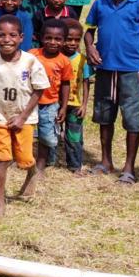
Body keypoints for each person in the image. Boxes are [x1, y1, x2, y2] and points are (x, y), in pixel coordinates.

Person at [84, 0, 139, 184]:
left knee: (133, 120)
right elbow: (89, 31)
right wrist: (90, 47)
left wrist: (130, 48)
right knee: (105, 116)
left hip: (129, 70)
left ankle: (129, 168)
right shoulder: (101, 3)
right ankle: (106, 161)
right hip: (105, 69)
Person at [0, 15, 50, 218]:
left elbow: (39, 90)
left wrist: (23, 117)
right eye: (1, 35)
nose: (7, 39)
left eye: (12, 35)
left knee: (24, 158)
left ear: (21, 37)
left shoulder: (31, 62)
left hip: (23, 118)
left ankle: (31, 172)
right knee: (3, 159)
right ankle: (0, 202)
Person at [29, 19, 73, 179]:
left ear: (64, 40)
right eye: (48, 38)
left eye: (58, 39)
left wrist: (63, 107)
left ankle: (41, 165)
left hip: (50, 104)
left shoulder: (64, 61)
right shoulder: (32, 54)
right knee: (26, 132)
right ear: (41, 38)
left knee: (45, 135)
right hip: (29, 102)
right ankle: (24, 158)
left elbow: (66, 84)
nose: (52, 42)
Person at [62, 19, 93, 175]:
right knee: (51, 135)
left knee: (74, 136)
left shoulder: (83, 60)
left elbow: (87, 83)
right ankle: (48, 162)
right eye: (68, 39)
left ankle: (75, 165)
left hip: (75, 105)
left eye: (76, 40)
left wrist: (84, 104)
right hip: (55, 104)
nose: (72, 43)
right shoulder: (56, 58)